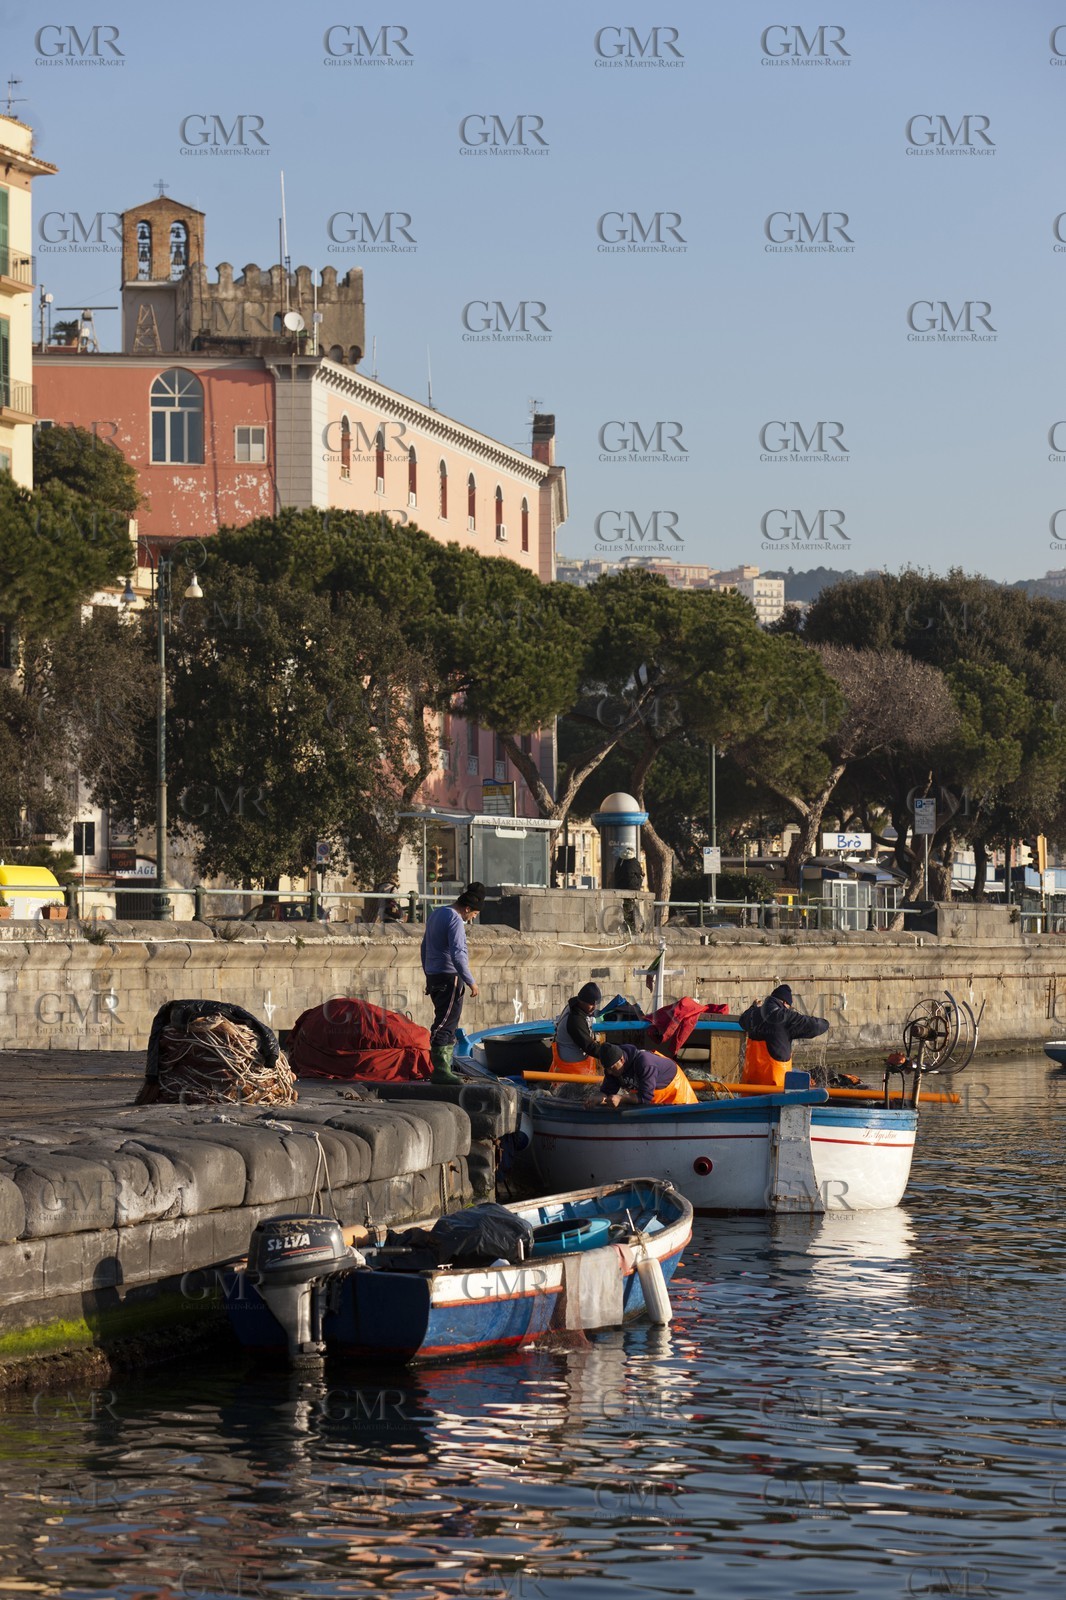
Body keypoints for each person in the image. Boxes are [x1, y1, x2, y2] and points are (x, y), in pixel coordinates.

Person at [420, 882, 485, 1083]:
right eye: (473, 914)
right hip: (449, 977)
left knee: (445, 1019)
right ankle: (440, 1070)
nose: (472, 918)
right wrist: (471, 981)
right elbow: (458, 955)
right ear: (467, 908)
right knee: (446, 1022)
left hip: (434, 975)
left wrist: (427, 973)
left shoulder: (437, 913)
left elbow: (424, 947)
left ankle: (445, 1068)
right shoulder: (455, 920)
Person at [738, 983, 829, 1090]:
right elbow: (816, 1026)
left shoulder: (752, 1014)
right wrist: (826, 1023)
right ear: (785, 1003)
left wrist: (753, 1007)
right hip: (775, 1089)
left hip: (750, 1087)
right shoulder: (785, 1016)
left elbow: (742, 1019)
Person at [596, 1041, 699, 1107]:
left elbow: (644, 1097)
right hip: (652, 1101)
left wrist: (621, 1098)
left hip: (677, 1096)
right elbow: (606, 1091)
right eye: (607, 1069)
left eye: (612, 1068)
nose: (610, 1072)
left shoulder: (645, 1063)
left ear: (622, 1060)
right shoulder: (611, 1069)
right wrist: (597, 1097)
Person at [552, 982, 604, 1076]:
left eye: (596, 1004)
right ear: (582, 1001)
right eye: (591, 1004)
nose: (594, 1008)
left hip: (569, 1066)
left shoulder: (573, 1007)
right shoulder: (575, 1020)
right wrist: (610, 1053)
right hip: (572, 1070)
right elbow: (589, 1047)